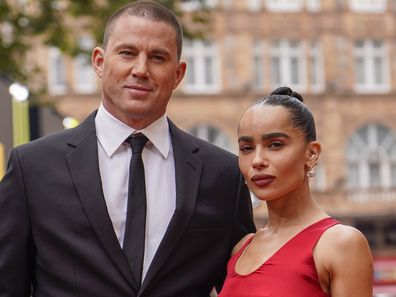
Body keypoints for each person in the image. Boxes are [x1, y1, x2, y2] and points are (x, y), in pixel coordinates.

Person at [0, 1, 255, 297]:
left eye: (158, 57)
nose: (141, 69)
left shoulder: (224, 175)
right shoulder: (33, 167)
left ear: (178, 73)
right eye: (127, 53)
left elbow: (243, 287)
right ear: (99, 61)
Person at [218, 87, 373, 297]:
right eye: (246, 148)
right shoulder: (241, 248)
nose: (257, 160)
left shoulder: (341, 244)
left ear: (312, 153)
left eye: (275, 145)